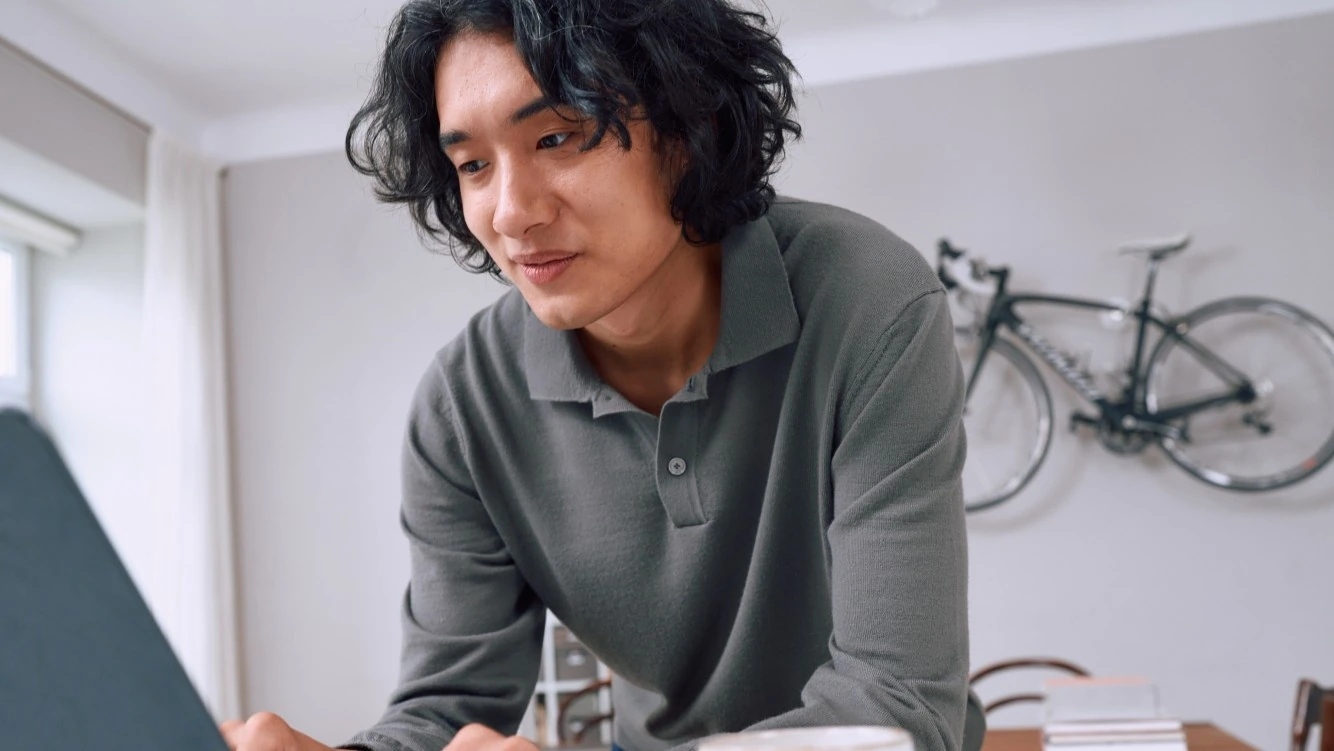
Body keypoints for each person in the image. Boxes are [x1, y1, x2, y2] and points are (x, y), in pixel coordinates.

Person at [221, 1, 985, 751]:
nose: (511, 213)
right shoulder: (463, 409)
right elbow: (448, 709)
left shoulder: (869, 300)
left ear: (689, 130)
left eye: (556, 136)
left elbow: (896, 710)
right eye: (473, 165)